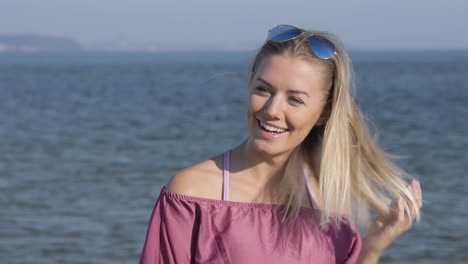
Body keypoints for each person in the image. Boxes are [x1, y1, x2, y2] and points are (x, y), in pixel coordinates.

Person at [139, 25, 423, 263]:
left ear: (323, 113)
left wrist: (372, 249)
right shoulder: (192, 193)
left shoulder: (330, 207)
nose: (272, 110)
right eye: (263, 89)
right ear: (249, 85)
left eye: (295, 99)